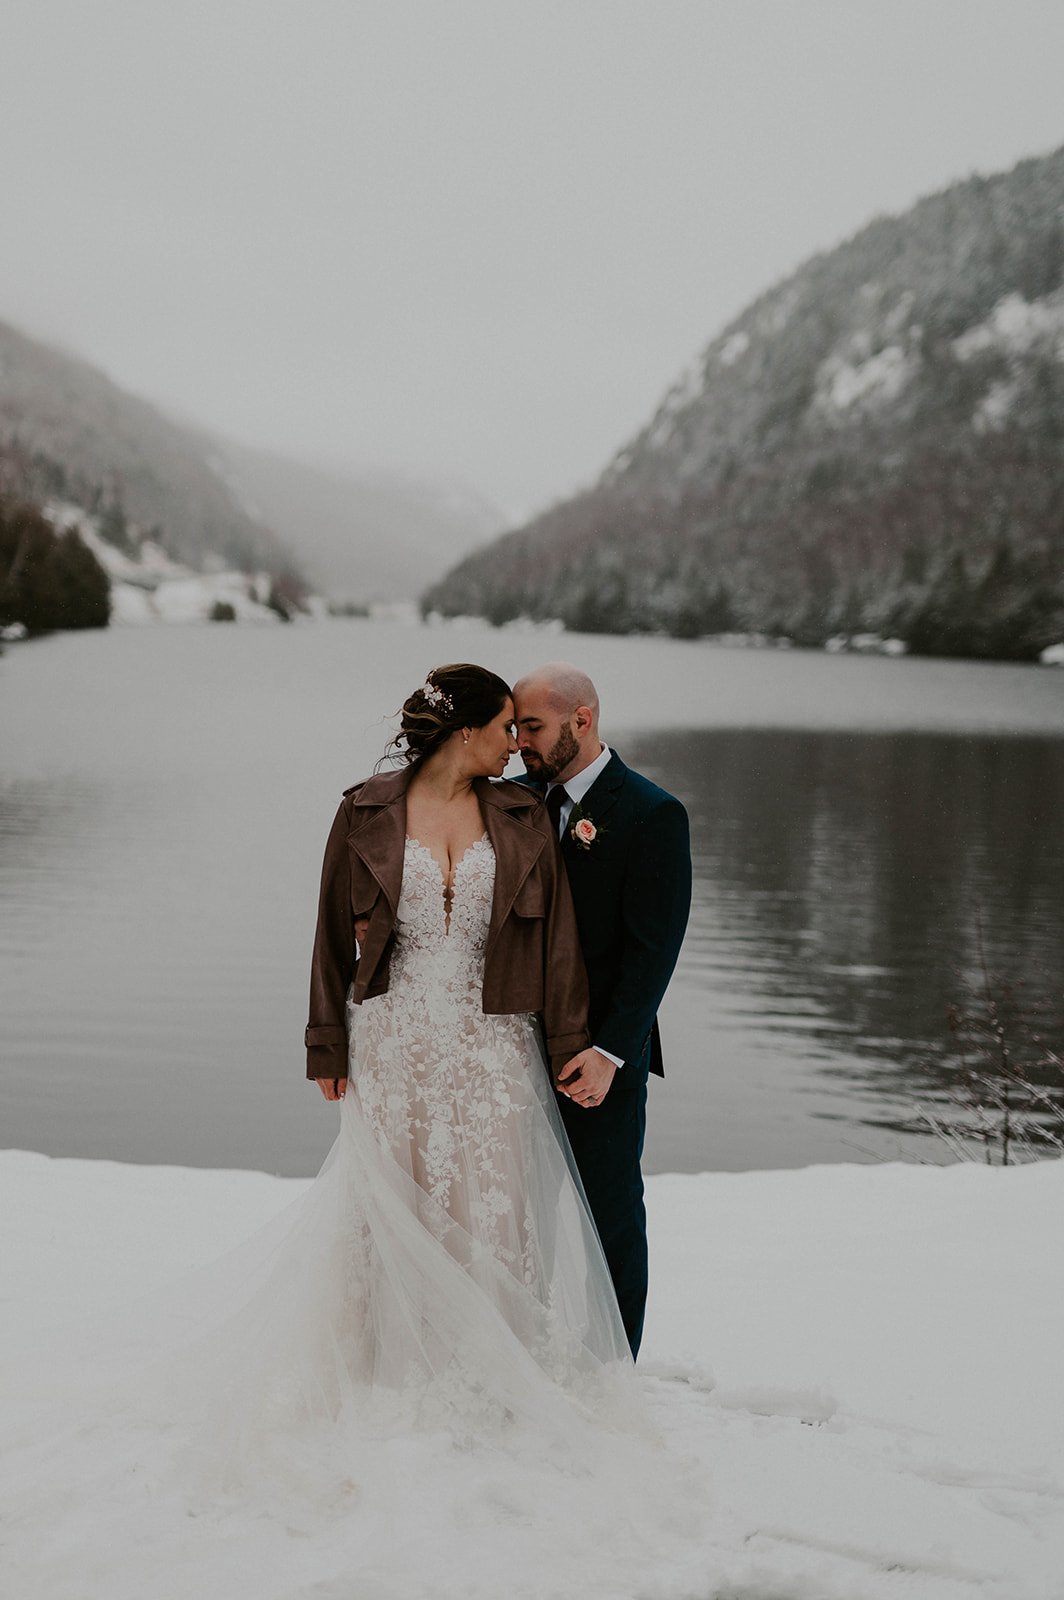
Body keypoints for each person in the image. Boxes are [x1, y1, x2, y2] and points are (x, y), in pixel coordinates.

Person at [302, 662, 633, 1420]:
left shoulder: (523, 813)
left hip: (493, 1041)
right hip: (394, 1038)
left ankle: (488, 1364)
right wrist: (327, 1044)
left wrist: (569, 1045)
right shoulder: (363, 810)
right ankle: (386, 1365)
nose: (516, 744)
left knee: (489, 1199)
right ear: (464, 732)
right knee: (395, 1193)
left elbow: (557, 942)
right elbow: (329, 937)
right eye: (505, 727)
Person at [513, 663, 692, 1358]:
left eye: (532, 727)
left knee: (607, 1212)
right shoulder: (513, 799)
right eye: (516, 727)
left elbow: (655, 951)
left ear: (581, 720)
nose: (519, 742)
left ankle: (613, 1368)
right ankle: (520, 1348)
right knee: (518, 1209)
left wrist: (611, 1052)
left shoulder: (650, 813)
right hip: (514, 1045)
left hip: (598, 1056)